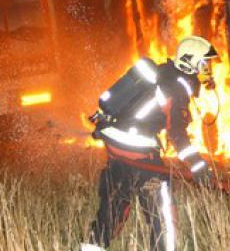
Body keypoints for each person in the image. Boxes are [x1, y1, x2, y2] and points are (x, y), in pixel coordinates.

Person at [80, 36, 217, 251]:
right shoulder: (176, 87)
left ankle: (92, 246)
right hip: (138, 149)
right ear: (191, 63)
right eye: (205, 63)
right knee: (161, 210)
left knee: (117, 201)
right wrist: (198, 166)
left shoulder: (164, 74)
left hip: (118, 144)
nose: (208, 69)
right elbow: (176, 133)